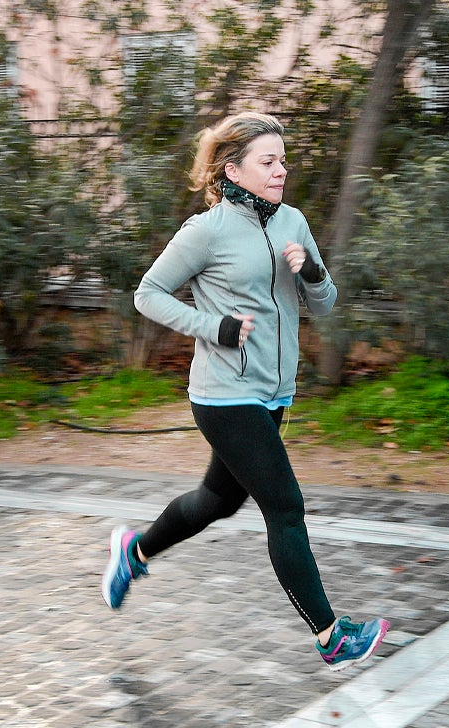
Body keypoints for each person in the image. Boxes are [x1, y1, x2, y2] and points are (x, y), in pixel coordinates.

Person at [101, 111, 390, 672]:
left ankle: (133, 552)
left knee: (217, 501)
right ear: (233, 169)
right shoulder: (204, 231)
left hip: (275, 392)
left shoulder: (294, 223)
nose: (283, 170)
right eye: (269, 161)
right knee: (284, 506)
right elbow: (148, 293)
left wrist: (309, 273)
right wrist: (214, 328)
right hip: (224, 395)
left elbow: (326, 302)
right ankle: (331, 634)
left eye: (283, 160)